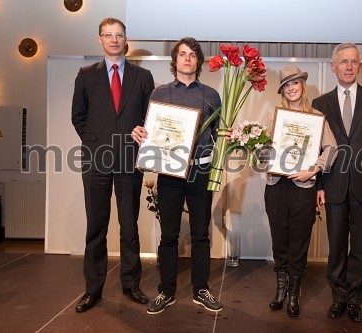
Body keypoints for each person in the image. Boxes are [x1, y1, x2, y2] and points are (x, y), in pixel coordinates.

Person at [131, 37, 222, 315]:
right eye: (182, 54)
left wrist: (229, 137)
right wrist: (140, 135)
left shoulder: (211, 95)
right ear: (175, 60)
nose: (187, 59)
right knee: (168, 235)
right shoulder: (159, 94)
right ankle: (166, 292)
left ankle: (200, 290)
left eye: (192, 55)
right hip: (169, 172)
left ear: (198, 61)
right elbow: (150, 131)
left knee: (200, 235)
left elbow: (218, 134)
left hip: (201, 171)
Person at [71, 17, 155, 313]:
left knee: (129, 225)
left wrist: (141, 134)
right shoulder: (85, 74)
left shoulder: (143, 77)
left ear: (125, 38)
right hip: (96, 161)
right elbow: (78, 116)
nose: (114, 39)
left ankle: (131, 284)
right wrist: (96, 142)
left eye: (119, 35)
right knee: (96, 225)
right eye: (108, 35)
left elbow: (150, 118)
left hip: (130, 160)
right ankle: (93, 289)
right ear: (100, 39)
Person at [312, 43, 362, 322]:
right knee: (335, 246)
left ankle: (355, 299)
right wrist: (318, 185)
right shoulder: (320, 104)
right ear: (333, 66)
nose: (349, 66)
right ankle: (338, 298)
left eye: (354, 62)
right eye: (343, 62)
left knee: (361, 245)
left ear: (359, 66)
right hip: (332, 184)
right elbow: (317, 150)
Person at [265, 66, 337, 317]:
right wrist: (261, 152)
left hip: (303, 187)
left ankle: (294, 294)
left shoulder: (317, 117)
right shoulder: (273, 115)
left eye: (294, 83)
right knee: (279, 240)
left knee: (299, 242)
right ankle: (281, 290)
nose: (291, 88)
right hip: (276, 185)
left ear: (302, 86)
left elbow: (331, 148)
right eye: (286, 85)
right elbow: (262, 147)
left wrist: (314, 170)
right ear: (282, 90)